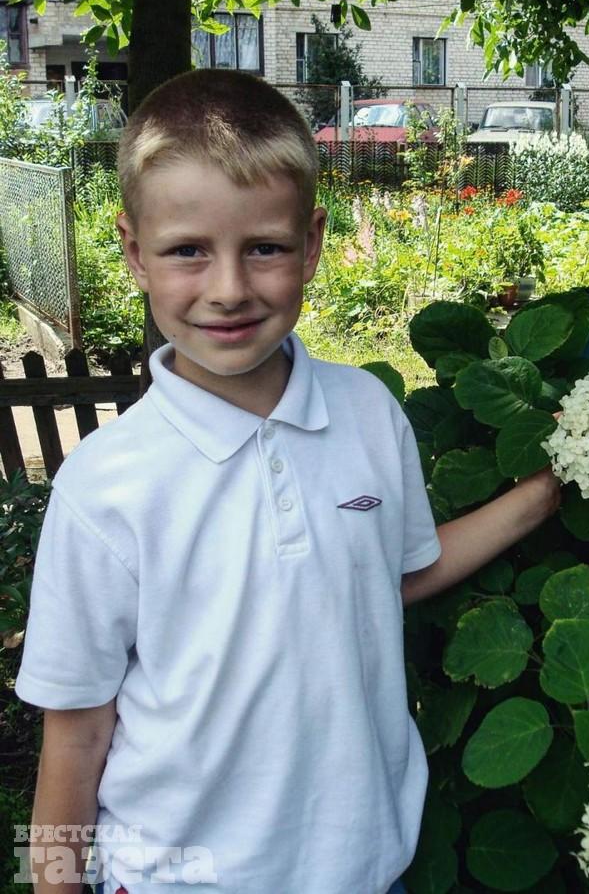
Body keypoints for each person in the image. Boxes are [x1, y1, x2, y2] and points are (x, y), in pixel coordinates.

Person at [14, 69, 560, 894]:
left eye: (263, 247)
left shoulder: (369, 412)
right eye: (188, 250)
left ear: (311, 243)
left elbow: (395, 571)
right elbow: (76, 731)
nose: (229, 288)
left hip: (362, 868)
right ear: (133, 252)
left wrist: (545, 492)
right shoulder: (104, 487)